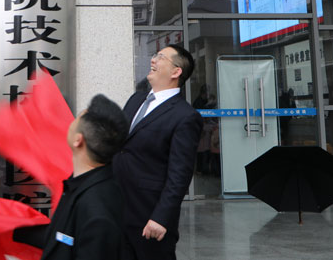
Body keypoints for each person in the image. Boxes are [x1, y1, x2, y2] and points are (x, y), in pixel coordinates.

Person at [112, 45, 203, 260]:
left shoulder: (185, 116)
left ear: (176, 72)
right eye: (155, 56)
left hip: (149, 216)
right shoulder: (136, 100)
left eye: (160, 57)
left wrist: (161, 217)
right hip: (118, 209)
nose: (153, 60)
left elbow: (180, 174)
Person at [16, 94, 128, 260]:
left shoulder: (98, 215)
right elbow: (63, 238)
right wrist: (12, 228)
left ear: (78, 140)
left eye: (77, 118)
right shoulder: (82, 184)